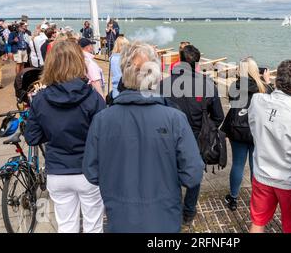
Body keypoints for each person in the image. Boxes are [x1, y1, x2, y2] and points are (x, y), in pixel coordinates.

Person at [83, 42, 204, 233]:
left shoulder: (102, 120)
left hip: (120, 218)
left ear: (124, 73)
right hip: (164, 218)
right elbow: (193, 174)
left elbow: (91, 172)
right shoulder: (175, 119)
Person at [24, 40, 106, 233]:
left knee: (66, 225)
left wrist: (52, 130)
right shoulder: (92, 97)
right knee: (93, 225)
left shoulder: (40, 99)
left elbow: (32, 137)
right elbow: (105, 134)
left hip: (58, 171)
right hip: (88, 171)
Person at [248, 59, 291, 233]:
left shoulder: (256, 101)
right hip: (290, 181)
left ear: (277, 79)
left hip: (262, 173)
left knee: (258, 222)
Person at [159, 44, 224, 224]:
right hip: (197, 137)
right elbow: (219, 116)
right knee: (195, 173)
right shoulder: (208, 85)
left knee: (170, 173)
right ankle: (188, 211)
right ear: (197, 62)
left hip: (169, 136)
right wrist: (206, 128)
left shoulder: (163, 84)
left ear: (179, 60)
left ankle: (173, 208)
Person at [221, 57, 273, 211]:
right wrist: (267, 81)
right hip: (256, 132)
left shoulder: (235, 86)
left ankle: (233, 198)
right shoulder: (264, 87)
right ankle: (256, 200)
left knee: (237, 164)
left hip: (237, 130)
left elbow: (231, 101)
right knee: (255, 166)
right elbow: (271, 102)